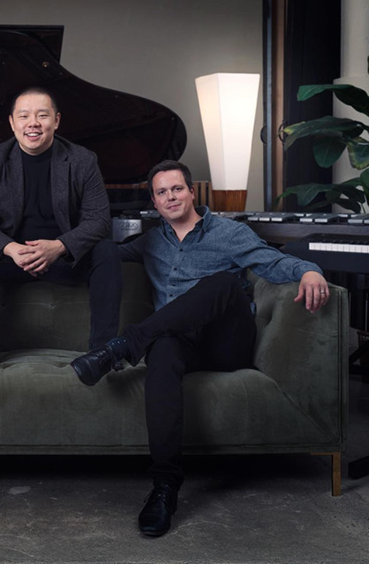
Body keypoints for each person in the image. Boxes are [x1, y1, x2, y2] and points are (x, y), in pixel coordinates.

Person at [71, 160, 328, 538]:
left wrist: (309, 270)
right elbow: (100, 258)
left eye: (177, 189)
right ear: (154, 203)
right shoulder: (150, 241)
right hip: (180, 344)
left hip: (227, 343)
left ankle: (123, 346)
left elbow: (272, 261)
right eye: (161, 192)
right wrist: (55, 250)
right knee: (161, 349)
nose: (170, 197)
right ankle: (164, 487)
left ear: (192, 192)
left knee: (221, 283)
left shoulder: (228, 233)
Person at [0, 86, 122, 365]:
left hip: (63, 259)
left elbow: (99, 220)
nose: (33, 123)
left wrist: (58, 247)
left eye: (42, 115)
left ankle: (102, 351)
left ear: (56, 120)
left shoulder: (82, 160)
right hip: (12, 259)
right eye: (24, 116)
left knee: (107, 251)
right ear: (12, 123)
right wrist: (9, 248)